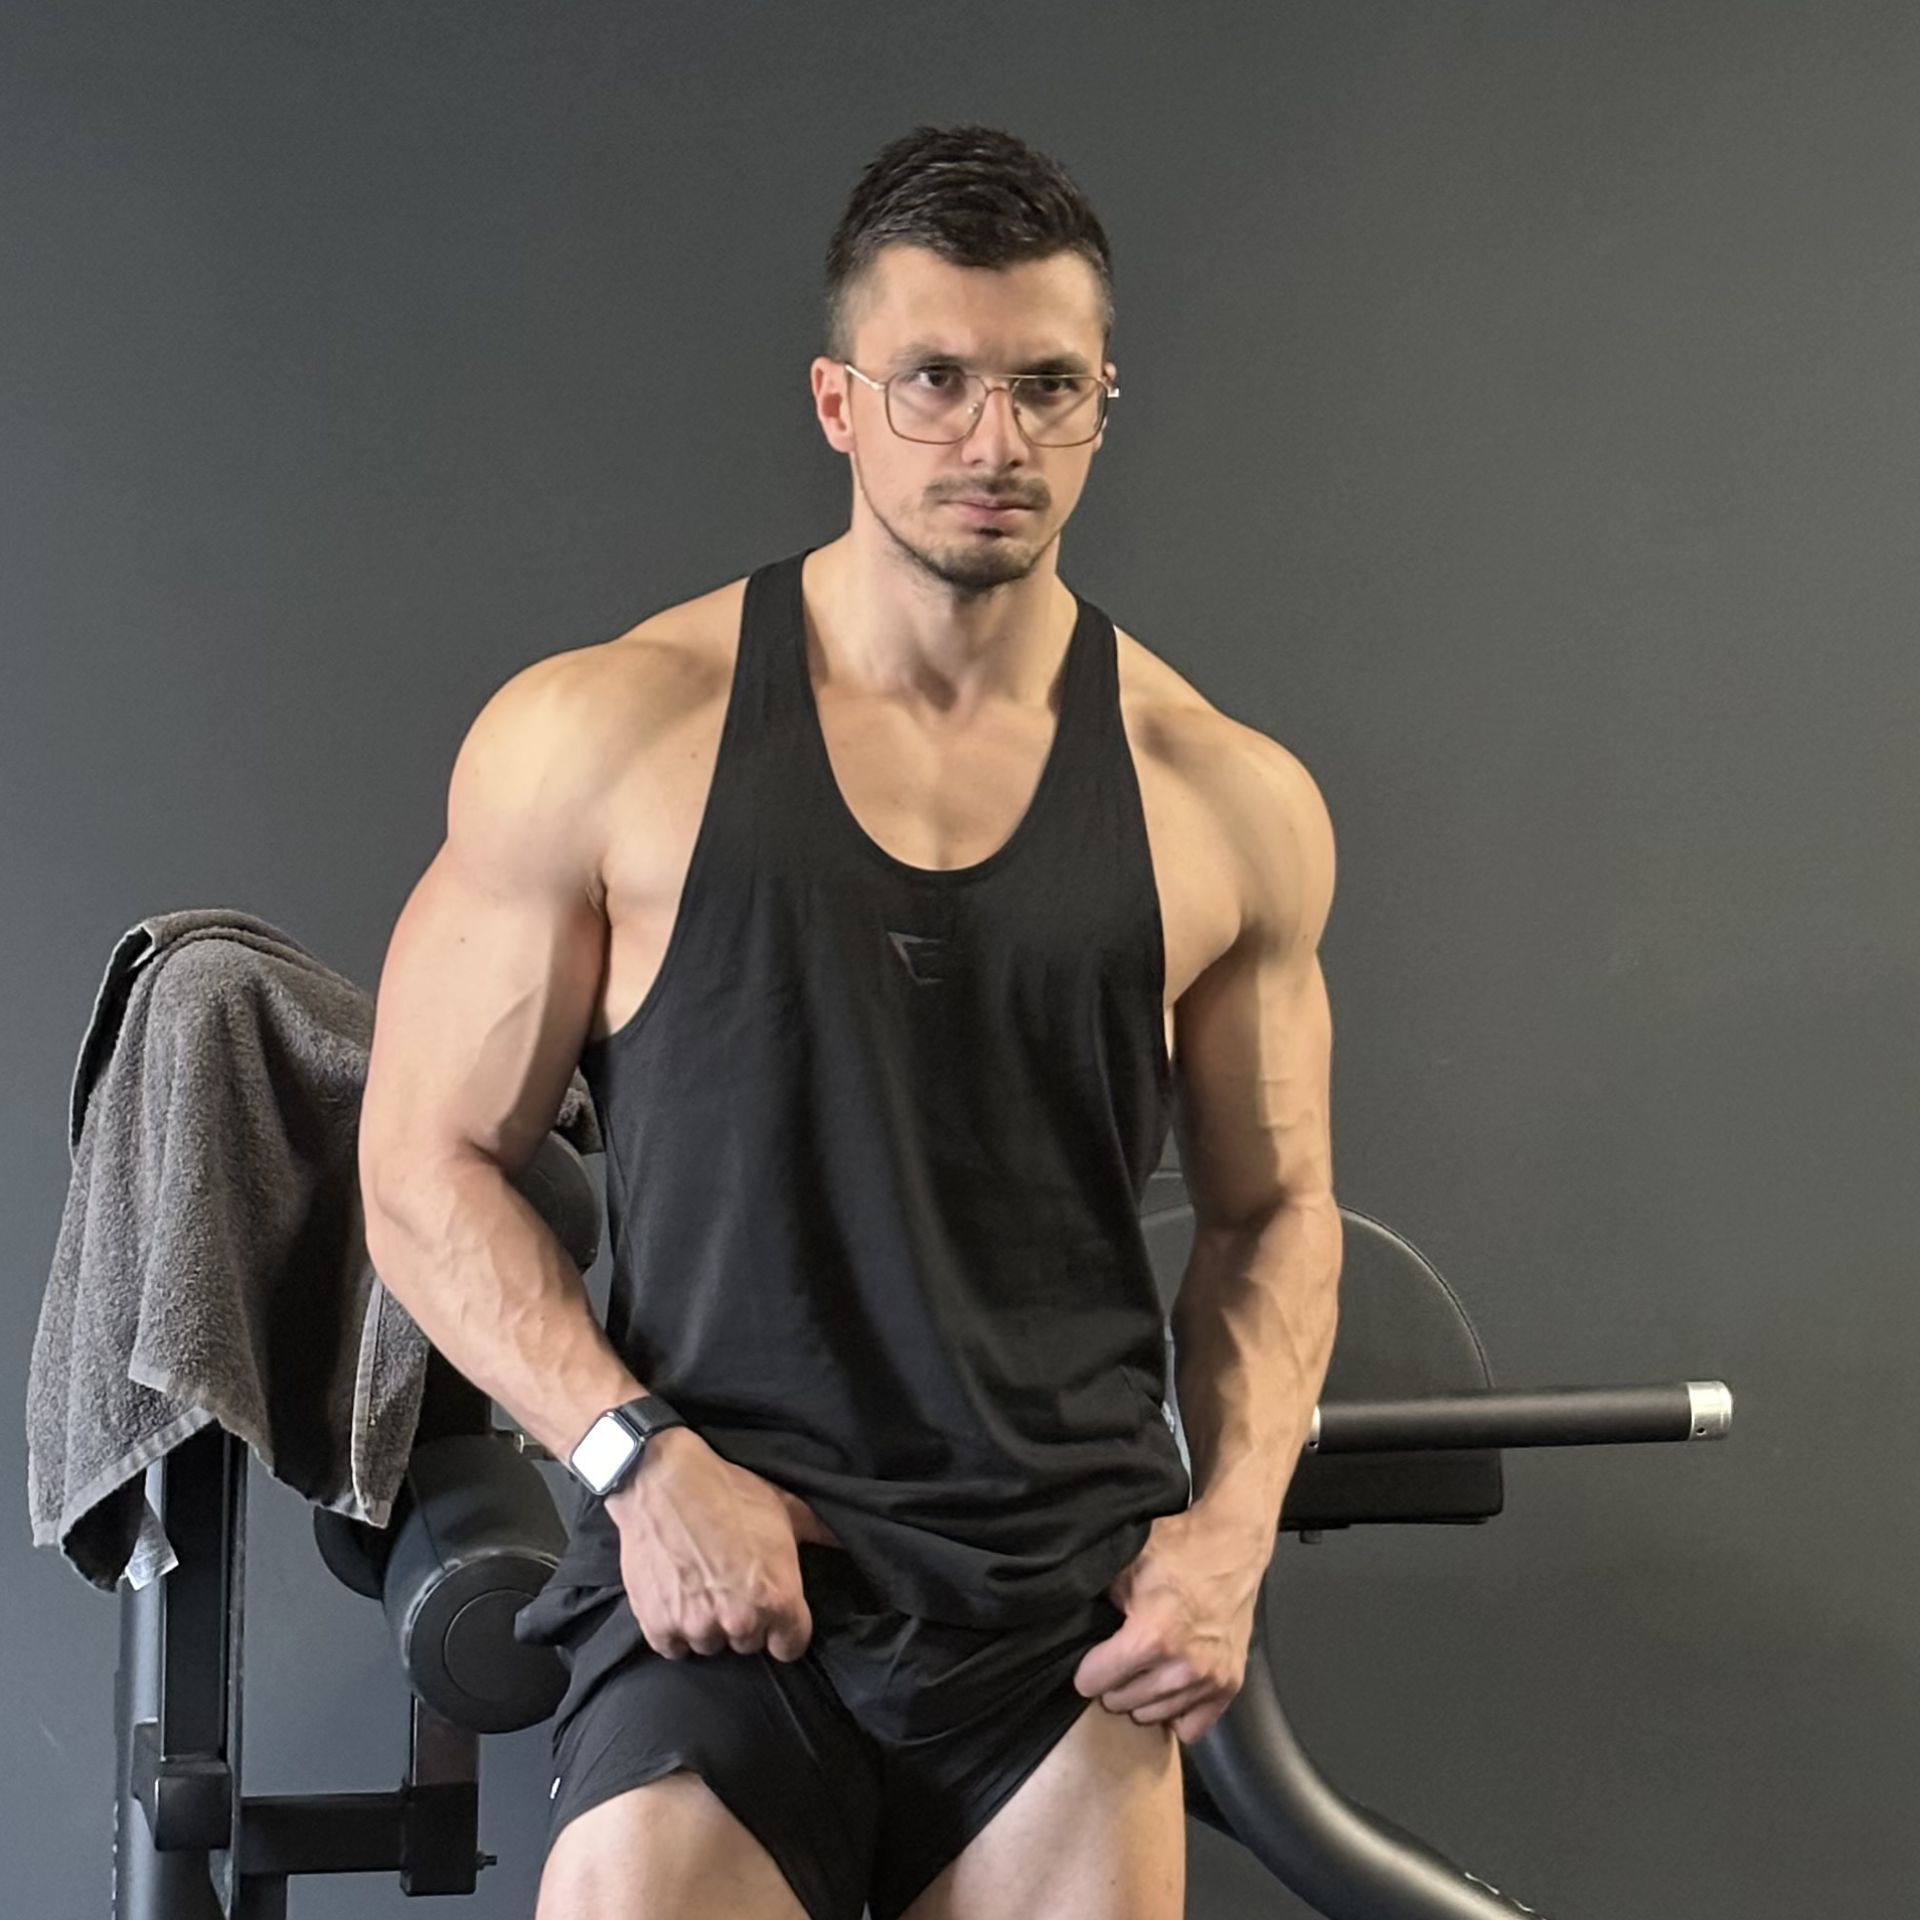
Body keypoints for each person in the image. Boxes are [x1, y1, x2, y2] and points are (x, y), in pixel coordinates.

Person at [359, 122, 1341, 1920]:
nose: (995, 439)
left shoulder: (1223, 797)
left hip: (1060, 1605)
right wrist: (636, 1462)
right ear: (839, 403)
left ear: (1103, 404)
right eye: (935, 381)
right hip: (724, 1563)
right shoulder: (608, 736)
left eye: (1048, 386)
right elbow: (422, 1167)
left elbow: (1277, 1214)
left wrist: (1231, 1538)